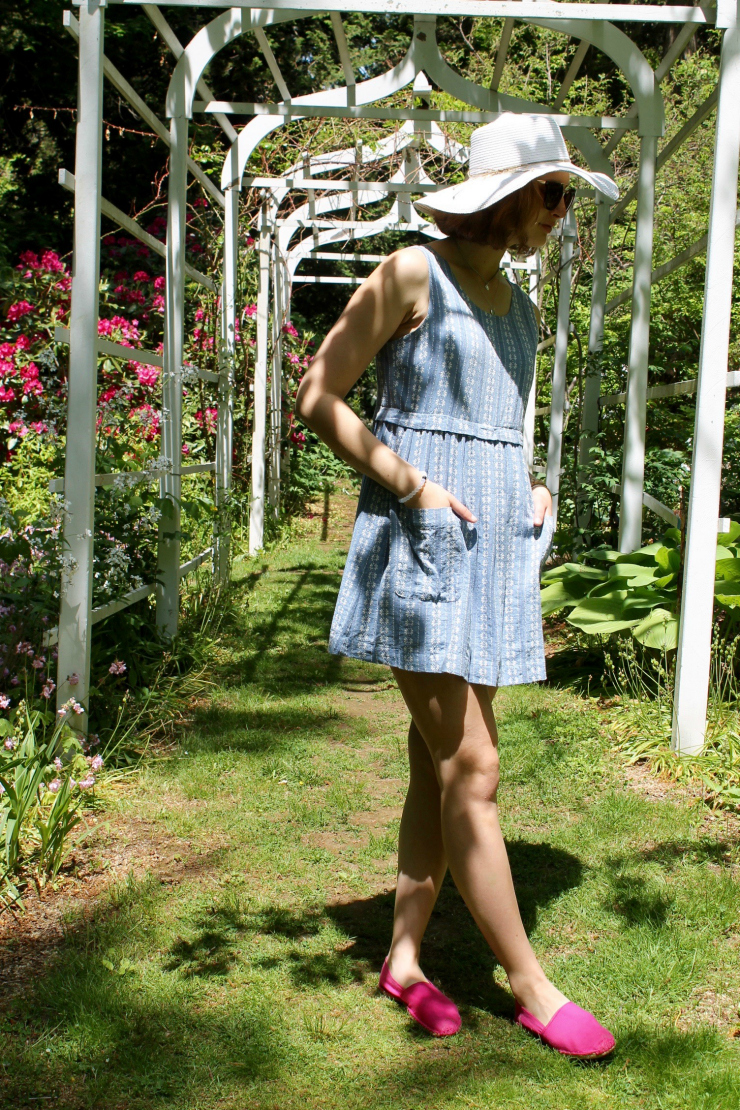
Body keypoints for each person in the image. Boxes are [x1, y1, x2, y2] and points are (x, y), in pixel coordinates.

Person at [295, 113, 618, 1058]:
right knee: (472, 766)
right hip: (419, 544)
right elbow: (317, 394)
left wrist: (527, 487)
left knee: (434, 761)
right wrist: (414, 487)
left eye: (564, 195)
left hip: (489, 549)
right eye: (554, 194)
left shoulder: (517, 310)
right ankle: (531, 985)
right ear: (508, 195)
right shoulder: (408, 272)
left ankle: (402, 958)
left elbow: (490, 428)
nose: (561, 213)